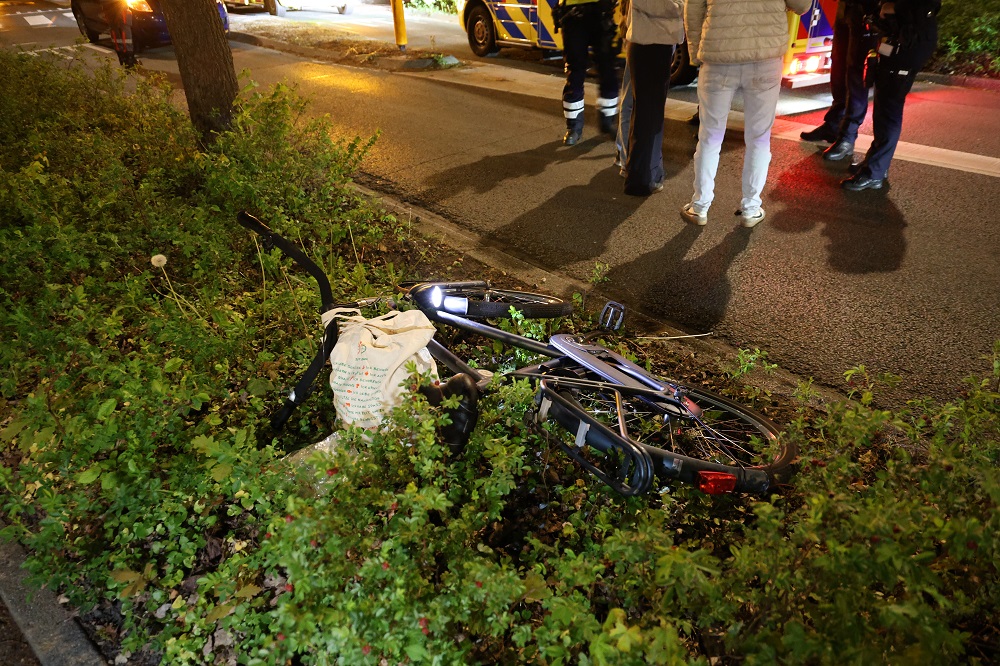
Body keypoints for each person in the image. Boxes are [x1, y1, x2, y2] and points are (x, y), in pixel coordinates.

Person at [681, 0, 812, 227]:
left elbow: (693, 9)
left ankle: (699, 206)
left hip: (718, 54)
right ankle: (751, 208)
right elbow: (801, 5)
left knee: (710, 136)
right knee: (759, 137)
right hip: (765, 55)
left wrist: (695, 53)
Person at [842, 0, 940, 190]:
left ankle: (875, 173)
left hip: (907, 44)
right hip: (900, 40)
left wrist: (892, 7)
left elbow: (927, 4)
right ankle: (876, 163)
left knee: (889, 110)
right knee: (883, 106)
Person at [800, 0, 880, 162]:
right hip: (846, 8)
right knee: (838, 69)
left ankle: (847, 137)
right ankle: (833, 125)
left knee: (856, 77)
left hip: (866, 11)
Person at [621, 0, 684, 196]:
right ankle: (641, 180)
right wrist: (682, 6)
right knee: (648, 115)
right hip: (650, 45)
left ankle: (648, 174)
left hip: (654, 43)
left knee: (649, 114)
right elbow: (650, 3)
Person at [555, 0, 620, 146]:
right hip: (573, 15)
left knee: (607, 68)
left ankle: (608, 121)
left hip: (601, 12)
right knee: (575, 71)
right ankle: (574, 127)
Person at [613, 0, 633, 175]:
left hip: (634, 34)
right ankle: (625, 159)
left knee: (629, 100)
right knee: (630, 102)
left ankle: (621, 150)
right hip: (640, 37)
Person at [104, 0, 138, 68]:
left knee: (117, 35)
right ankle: (129, 60)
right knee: (125, 35)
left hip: (110, 10)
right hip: (120, 11)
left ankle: (123, 59)